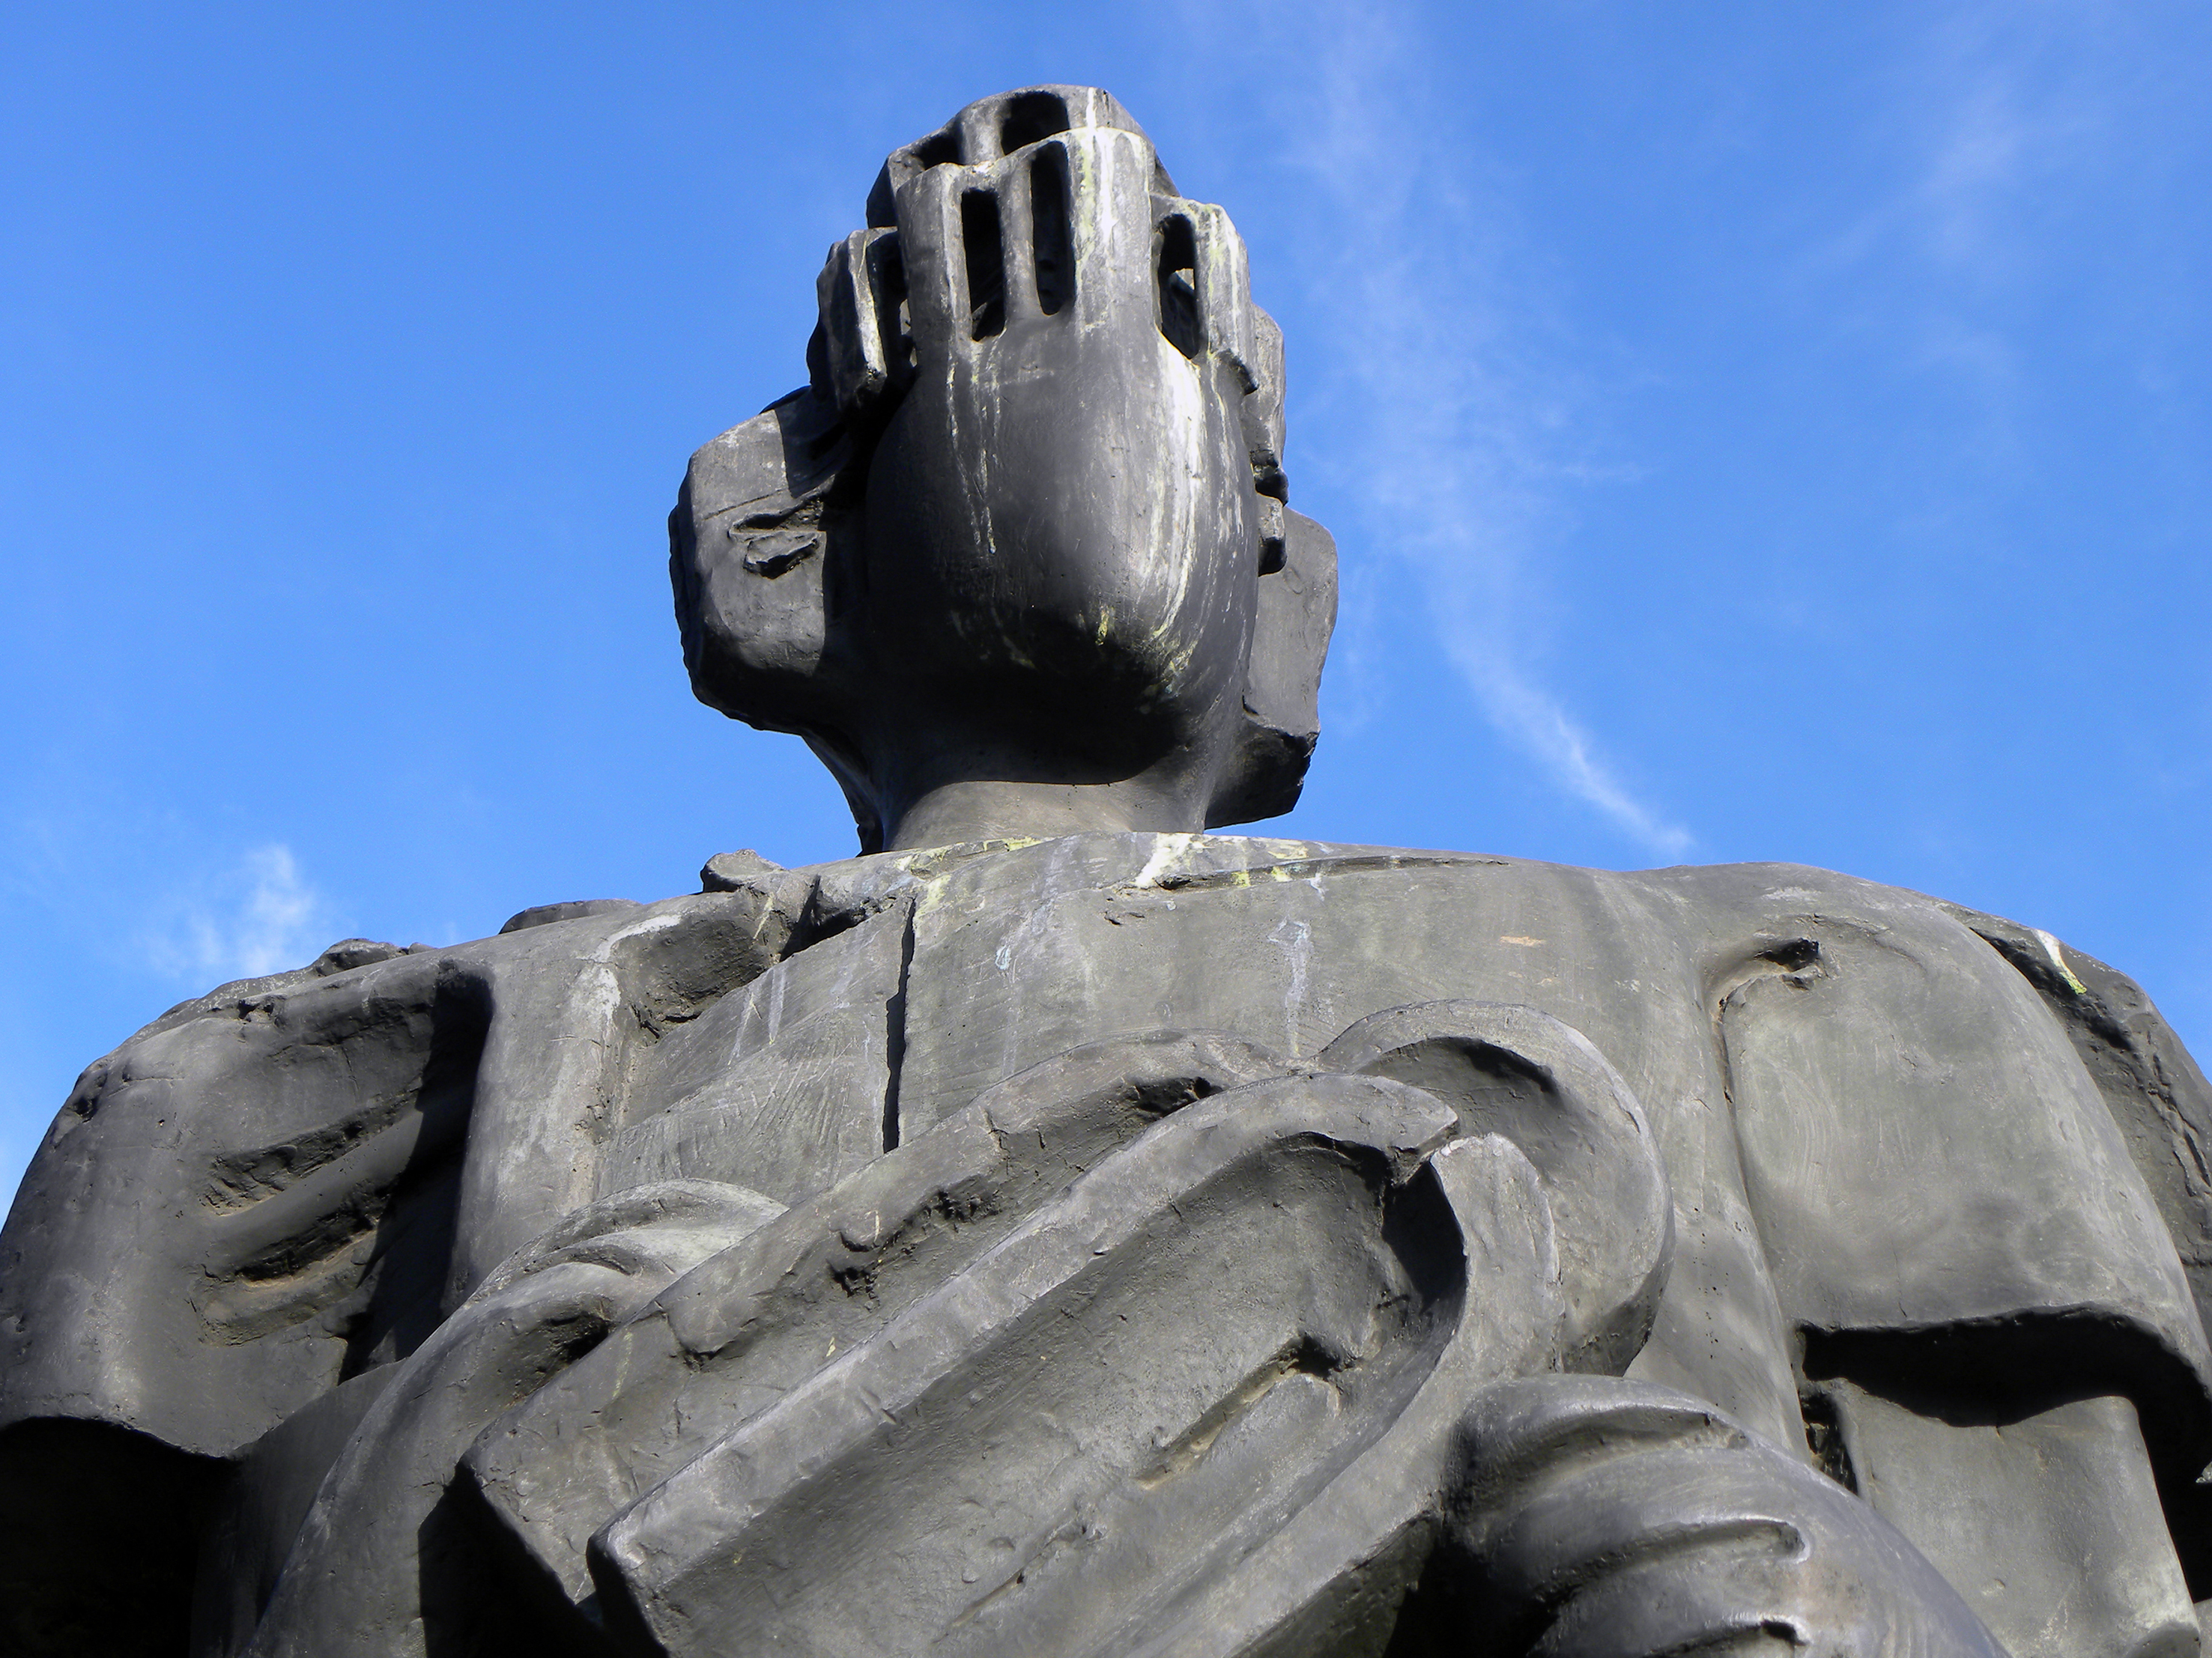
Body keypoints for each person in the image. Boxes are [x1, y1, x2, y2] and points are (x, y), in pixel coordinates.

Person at [4, 86, 2210, 1658]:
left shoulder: (1817, 991)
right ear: (758, 552)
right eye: (969, 349)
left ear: (1288, 583)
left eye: (1182, 376)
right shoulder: (365, 1079)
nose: (1061, 308)